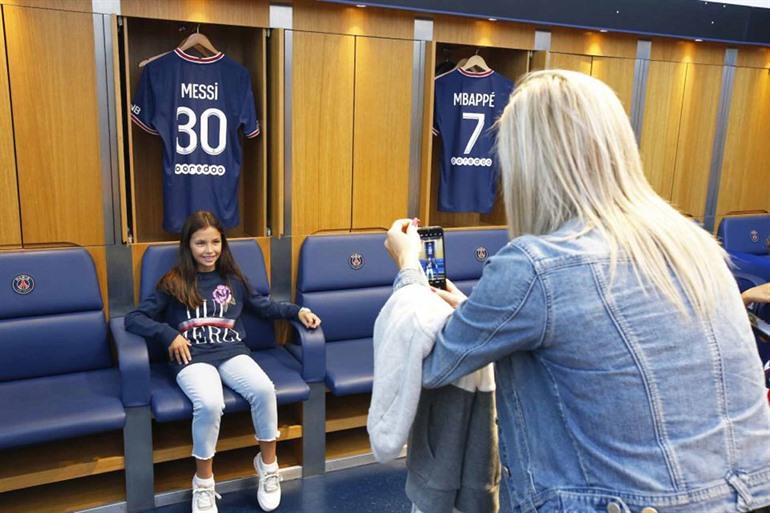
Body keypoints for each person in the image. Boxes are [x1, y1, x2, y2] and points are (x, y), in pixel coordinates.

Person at [384, 70, 770, 513]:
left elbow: (432, 365)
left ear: (528, 164)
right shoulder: (693, 245)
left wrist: (410, 266)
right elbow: (592, 343)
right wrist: (475, 311)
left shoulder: (535, 265)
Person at [125, 211, 321, 513]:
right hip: (193, 358)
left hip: (232, 352)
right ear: (188, 245)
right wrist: (167, 334)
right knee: (210, 402)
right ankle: (203, 483)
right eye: (200, 242)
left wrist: (297, 312)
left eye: (215, 241)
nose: (209, 249)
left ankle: (268, 466)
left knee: (265, 390)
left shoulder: (233, 280)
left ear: (223, 243)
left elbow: (265, 307)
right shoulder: (174, 282)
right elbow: (134, 318)